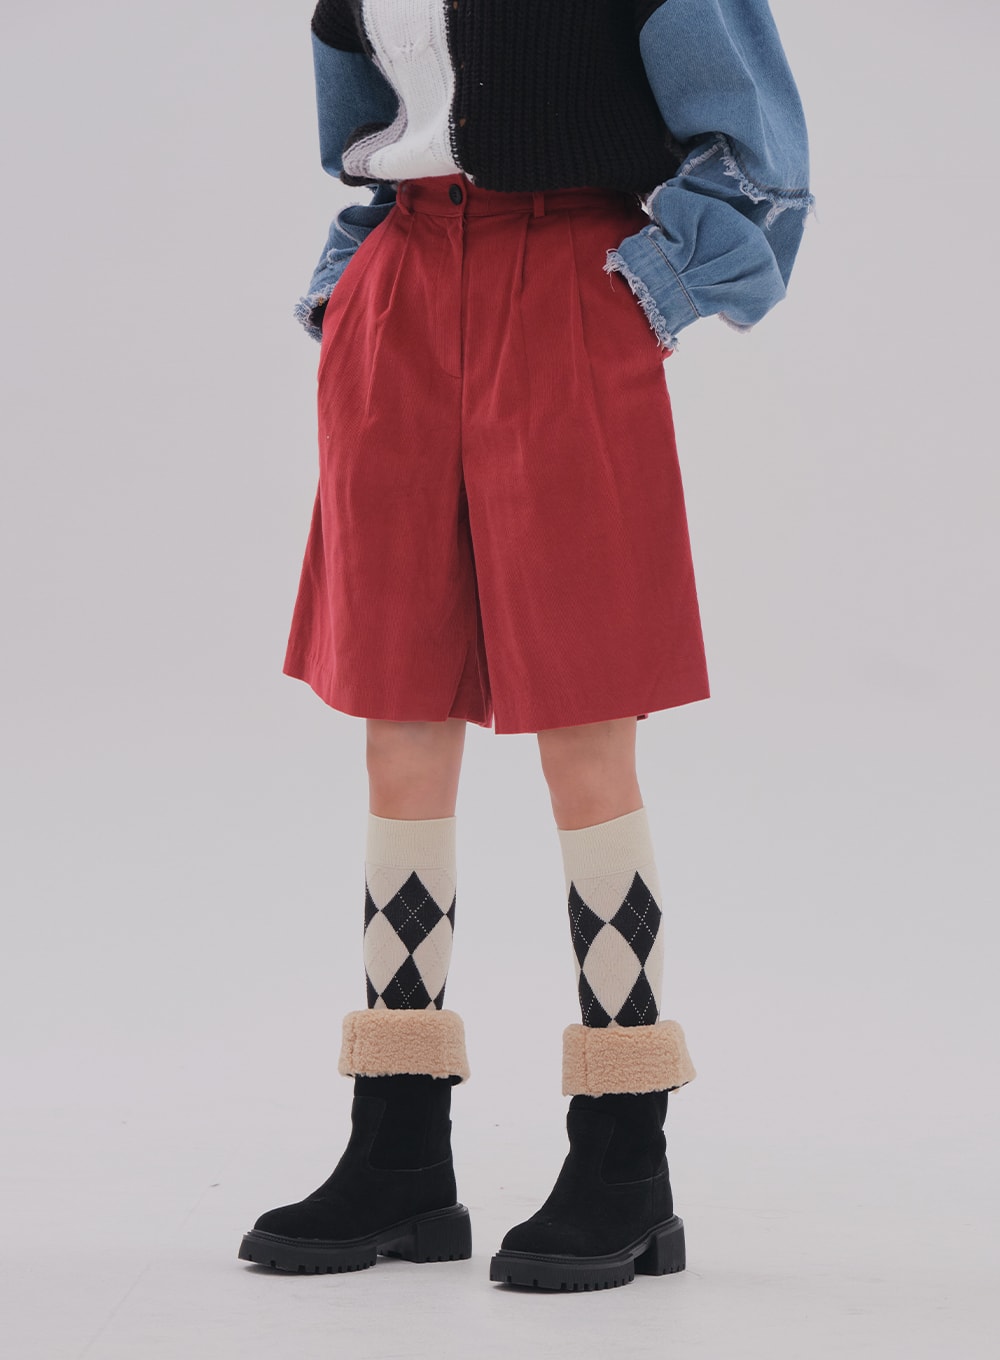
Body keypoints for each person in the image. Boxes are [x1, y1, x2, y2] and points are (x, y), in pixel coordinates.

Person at [238, 0, 815, 1292]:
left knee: (584, 726)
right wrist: (350, 289)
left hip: (566, 286)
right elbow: (371, 138)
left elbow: (757, 153)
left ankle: (624, 1146)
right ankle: (399, 1145)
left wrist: (649, 290)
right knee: (397, 720)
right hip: (400, 297)